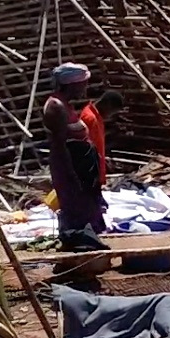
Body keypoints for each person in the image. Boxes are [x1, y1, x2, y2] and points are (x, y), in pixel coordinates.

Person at [40, 62, 107, 250]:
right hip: (70, 170)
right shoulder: (56, 107)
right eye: (83, 84)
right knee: (76, 211)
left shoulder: (66, 106)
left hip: (80, 170)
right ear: (71, 84)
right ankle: (78, 255)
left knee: (86, 211)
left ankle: (85, 250)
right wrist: (72, 177)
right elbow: (60, 146)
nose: (85, 88)